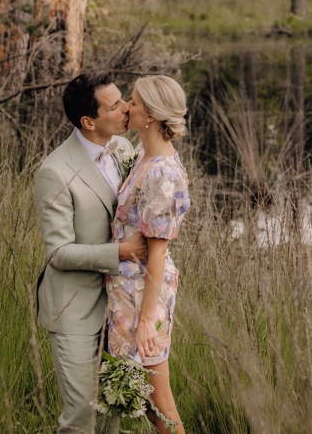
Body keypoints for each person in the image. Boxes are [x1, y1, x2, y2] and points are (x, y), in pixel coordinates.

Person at [34, 71, 144, 434]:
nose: (127, 108)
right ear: (88, 121)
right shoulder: (54, 171)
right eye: (115, 106)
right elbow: (59, 253)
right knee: (81, 418)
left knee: (115, 412)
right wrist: (120, 252)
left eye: (123, 100)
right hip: (74, 308)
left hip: (120, 306)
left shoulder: (125, 149)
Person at [106, 75, 191, 434]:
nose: (127, 105)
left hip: (145, 296)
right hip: (126, 292)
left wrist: (145, 321)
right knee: (138, 397)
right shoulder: (142, 154)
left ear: (152, 116)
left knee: (160, 403)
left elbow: (156, 254)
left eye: (135, 102)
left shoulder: (162, 174)